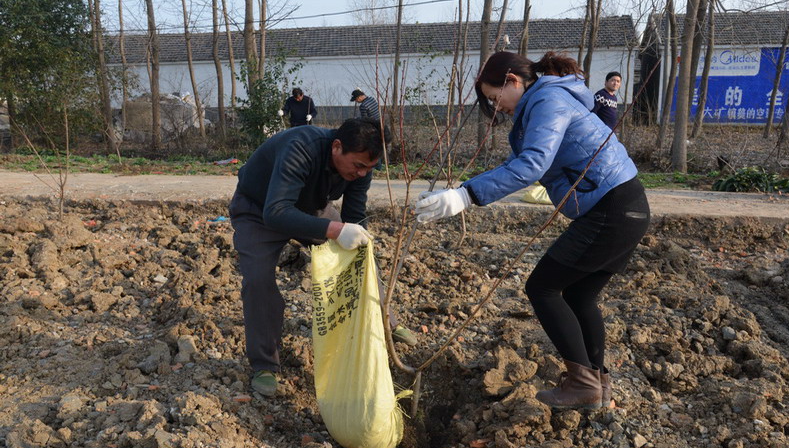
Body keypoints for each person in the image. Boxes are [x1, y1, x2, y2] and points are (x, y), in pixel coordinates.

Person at [414, 51, 650, 410]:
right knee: (579, 295)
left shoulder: (548, 100)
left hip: (611, 209)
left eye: (495, 97)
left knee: (542, 287)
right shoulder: (545, 101)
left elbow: (532, 164)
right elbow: (518, 162)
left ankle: (583, 385)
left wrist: (466, 196)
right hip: (626, 205)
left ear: (512, 81)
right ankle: (597, 385)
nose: (497, 108)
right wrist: (460, 190)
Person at [231, 118, 417, 397]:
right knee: (258, 279)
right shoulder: (300, 147)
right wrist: (335, 230)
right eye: (358, 166)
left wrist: (354, 234)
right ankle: (264, 364)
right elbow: (276, 212)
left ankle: (385, 319)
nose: (362, 173)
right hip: (259, 211)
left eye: (369, 168)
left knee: (360, 252)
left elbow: (355, 215)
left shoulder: (362, 168)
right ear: (337, 147)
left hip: (311, 209)